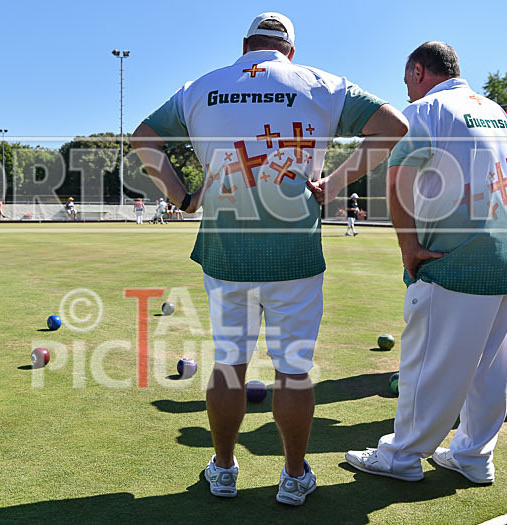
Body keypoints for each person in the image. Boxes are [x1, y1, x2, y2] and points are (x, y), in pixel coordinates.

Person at [132, 12, 407, 505]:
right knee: (293, 371)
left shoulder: (202, 86)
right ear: (291, 51)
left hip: (225, 251)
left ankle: (222, 469)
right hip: (295, 251)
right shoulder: (322, 83)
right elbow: (393, 126)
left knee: (228, 366)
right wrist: (335, 184)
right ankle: (294, 477)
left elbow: (143, 139)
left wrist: (180, 196)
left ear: (245, 45)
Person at [343, 42, 507, 485]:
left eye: (406, 82)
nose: (407, 92)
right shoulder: (494, 111)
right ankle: (473, 457)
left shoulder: (424, 111)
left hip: (453, 258)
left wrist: (409, 247)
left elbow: (398, 179)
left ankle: (401, 457)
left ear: (418, 71)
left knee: (425, 363)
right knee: (491, 365)